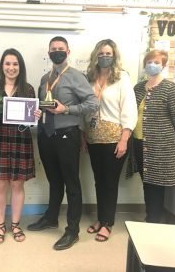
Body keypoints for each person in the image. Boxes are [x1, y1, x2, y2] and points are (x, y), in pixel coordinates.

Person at [27, 36, 99, 250]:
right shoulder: (44, 78)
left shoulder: (76, 76)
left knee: (71, 183)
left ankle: (72, 230)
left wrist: (66, 109)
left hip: (67, 134)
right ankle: (50, 218)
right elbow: (44, 105)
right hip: (46, 134)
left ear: (68, 52)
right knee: (54, 180)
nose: (56, 52)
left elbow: (92, 103)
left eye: (60, 49)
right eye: (53, 49)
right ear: (48, 53)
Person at [0, 48, 41, 245]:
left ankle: (15, 224)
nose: (11, 68)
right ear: (2, 66)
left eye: (15, 64)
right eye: (7, 64)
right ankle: (0, 226)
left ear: (20, 67)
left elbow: (28, 122)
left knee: (17, 185)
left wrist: (35, 117)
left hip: (19, 142)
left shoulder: (28, 89)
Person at [81, 39, 137, 242]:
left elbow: (129, 109)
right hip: (94, 138)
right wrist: (83, 135)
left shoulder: (122, 78)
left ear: (114, 56)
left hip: (115, 138)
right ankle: (100, 218)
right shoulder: (89, 79)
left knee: (110, 182)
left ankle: (108, 223)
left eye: (109, 53)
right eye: (102, 53)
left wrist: (124, 139)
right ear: (96, 56)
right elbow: (85, 109)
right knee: (99, 181)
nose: (105, 57)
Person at [133, 49, 175, 223]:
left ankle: (154, 219)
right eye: (149, 62)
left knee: (156, 185)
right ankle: (152, 216)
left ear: (164, 65)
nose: (152, 65)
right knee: (147, 182)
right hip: (139, 144)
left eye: (157, 62)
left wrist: (172, 142)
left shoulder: (171, 88)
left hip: (162, 146)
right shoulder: (138, 88)